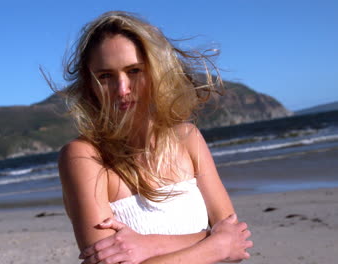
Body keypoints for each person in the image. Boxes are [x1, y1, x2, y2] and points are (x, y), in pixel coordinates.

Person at [56, 11, 253, 264]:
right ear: (90, 85)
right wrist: (215, 245)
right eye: (105, 76)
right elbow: (225, 242)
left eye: (134, 70)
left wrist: (149, 245)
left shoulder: (188, 138)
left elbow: (236, 241)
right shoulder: (84, 157)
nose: (122, 89)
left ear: (157, 71)